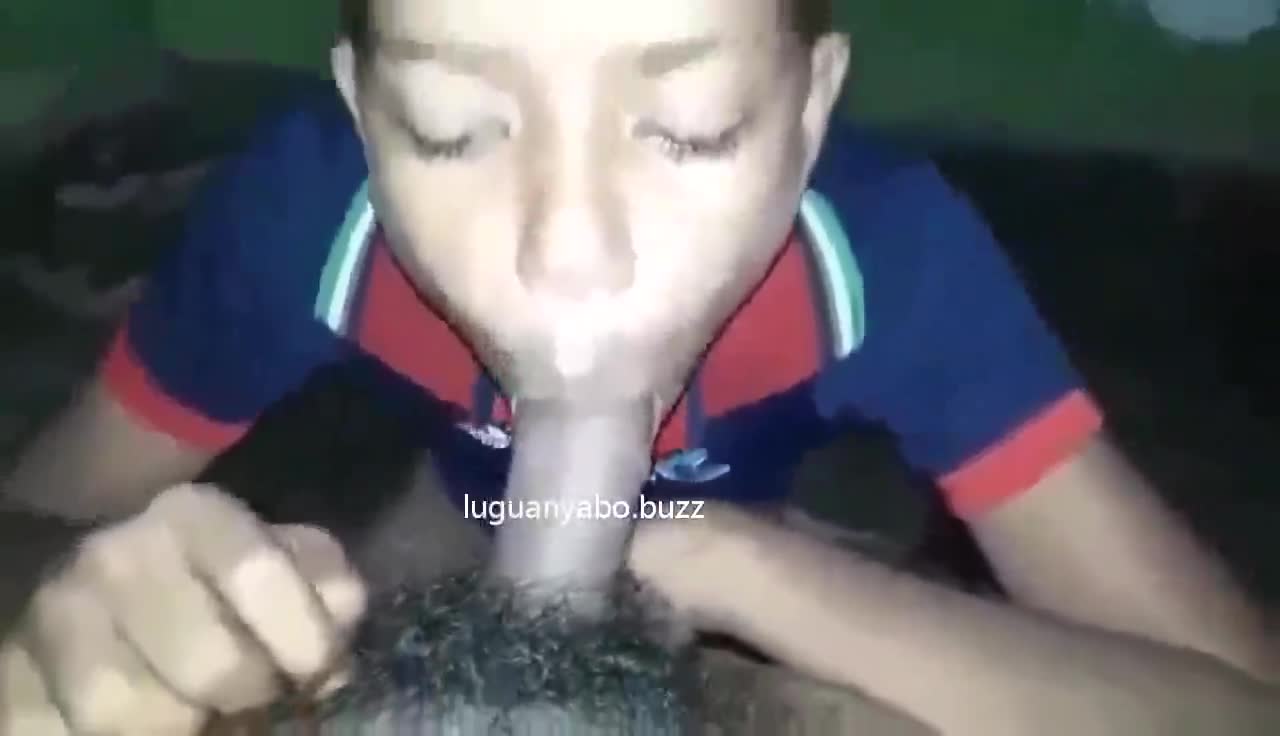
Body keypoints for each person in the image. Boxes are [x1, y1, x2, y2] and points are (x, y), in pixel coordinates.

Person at [0, 0, 1274, 733]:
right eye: (450, 130)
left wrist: (721, 558)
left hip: (771, 494)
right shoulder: (303, 221)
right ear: (363, 116)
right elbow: (43, 505)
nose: (569, 253)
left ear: (807, 113)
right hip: (433, 496)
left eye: (691, 129)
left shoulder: (884, 255)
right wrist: (72, 597)